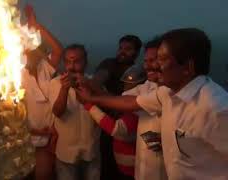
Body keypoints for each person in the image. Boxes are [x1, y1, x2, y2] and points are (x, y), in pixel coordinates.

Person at [76, 28, 228, 179]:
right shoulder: (166, 94)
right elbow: (130, 102)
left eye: (162, 59)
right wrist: (91, 99)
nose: (155, 66)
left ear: (188, 67)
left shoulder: (215, 107)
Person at [79, 64, 147, 179]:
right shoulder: (133, 107)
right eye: (125, 84)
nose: (126, 87)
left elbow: (115, 129)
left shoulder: (136, 112)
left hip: (132, 170)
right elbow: (113, 101)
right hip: (124, 166)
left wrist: (88, 105)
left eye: (130, 84)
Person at [20, 4, 63, 180]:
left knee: (44, 176)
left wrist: (36, 25)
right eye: (25, 51)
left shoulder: (45, 67)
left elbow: (58, 50)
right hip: (25, 137)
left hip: (50, 136)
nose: (29, 53)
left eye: (33, 50)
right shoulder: (14, 73)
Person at [91, 35, 142, 180]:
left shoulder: (139, 71)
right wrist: (118, 103)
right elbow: (95, 83)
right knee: (108, 166)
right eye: (120, 48)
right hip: (109, 122)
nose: (122, 52)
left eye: (128, 49)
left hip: (131, 126)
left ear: (137, 53)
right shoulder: (109, 64)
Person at [49, 44, 100, 180]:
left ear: (85, 62)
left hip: (91, 151)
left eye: (76, 61)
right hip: (66, 153)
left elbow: (105, 107)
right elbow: (58, 112)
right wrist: (64, 89)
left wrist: (88, 85)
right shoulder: (55, 84)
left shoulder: (92, 82)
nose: (71, 66)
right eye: (67, 62)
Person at [122, 38, 167, 180]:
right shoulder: (148, 85)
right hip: (143, 168)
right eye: (146, 61)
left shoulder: (177, 93)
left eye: (153, 60)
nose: (147, 66)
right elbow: (122, 99)